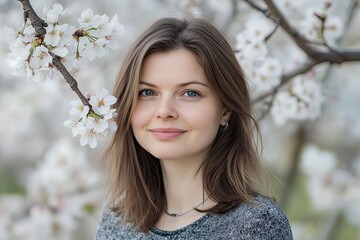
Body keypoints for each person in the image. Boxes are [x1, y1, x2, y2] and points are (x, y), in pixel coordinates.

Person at [95, 17, 293, 240]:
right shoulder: (116, 224)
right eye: (148, 93)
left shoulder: (256, 225)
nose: (164, 111)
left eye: (190, 93)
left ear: (225, 109)